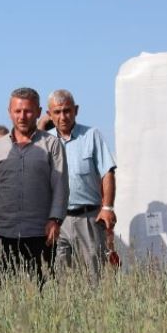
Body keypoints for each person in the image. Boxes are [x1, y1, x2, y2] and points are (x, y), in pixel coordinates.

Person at [0, 87, 68, 284]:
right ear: (9, 112)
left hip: (40, 233)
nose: (22, 116)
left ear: (38, 112)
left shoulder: (52, 145)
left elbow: (60, 185)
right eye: (17, 111)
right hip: (4, 233)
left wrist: (55, 219)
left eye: (28, 111)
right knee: (7, 292)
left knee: (42, 290)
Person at [46, 89, 117, 277]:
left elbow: (107, 172)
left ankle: (96, 307)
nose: (63, 116)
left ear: (76, 110)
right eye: (57, 112)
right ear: (49, 115)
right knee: (59, 279)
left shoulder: (92, 135)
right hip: (56, 222)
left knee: (94, 276)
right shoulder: (45, 141)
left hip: (89, 218)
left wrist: (108, 207)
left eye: (67, 110)